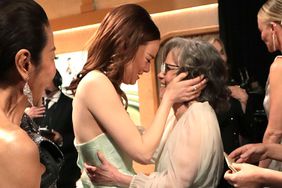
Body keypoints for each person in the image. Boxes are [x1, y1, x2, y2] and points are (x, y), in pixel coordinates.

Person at [68, 4, 206, 188]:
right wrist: (168, 98)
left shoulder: (101, 84)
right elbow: (143, 153)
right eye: (148, 58)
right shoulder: (96, 83)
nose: (148, 69)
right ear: (127, 45)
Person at [84, 37, 230, 187]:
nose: (160, 75)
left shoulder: (197, 116)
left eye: (168, 68)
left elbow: (174, 184)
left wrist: (118, 178)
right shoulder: (175, 115)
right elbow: (152, 149)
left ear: (191, 77)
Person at [0, 0, 63, 187]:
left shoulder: (21, 124)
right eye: (52, 56)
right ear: (24, 64)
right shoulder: (14, 146)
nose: (54, 70)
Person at [224, 0, 282, 186]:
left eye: (261, 30)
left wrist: (260, 175)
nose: (261, 36)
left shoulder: (279, 67)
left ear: (273, 27)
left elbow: (274, 132)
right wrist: (265, 150)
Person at [26, 70, 81, 188]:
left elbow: (80, 135)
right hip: (42, 170)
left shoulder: (71, 104)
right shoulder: (34, 105)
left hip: (66, 170)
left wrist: (61, 139)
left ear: (56, 81)